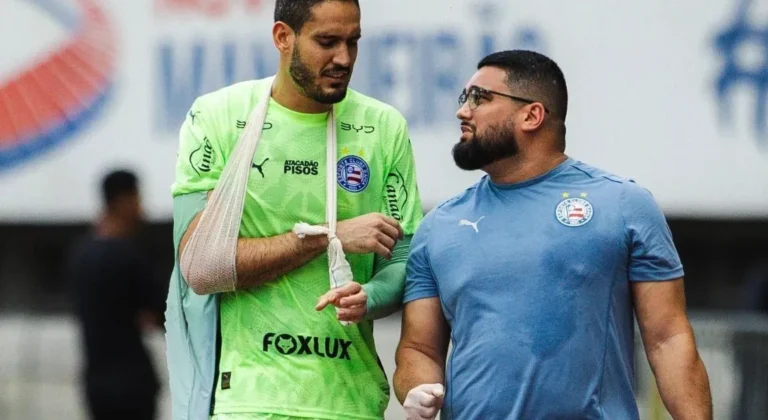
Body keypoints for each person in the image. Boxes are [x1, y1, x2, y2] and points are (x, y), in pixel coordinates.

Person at [393, 50, 713, 420]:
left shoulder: (624, 205)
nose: (463, 111)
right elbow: (419, 349)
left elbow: (668, 339)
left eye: (480, 98)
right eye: (464, 98)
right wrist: (417, 388)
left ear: (532, 115)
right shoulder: (439, 225)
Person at [163, 0, 424, 419]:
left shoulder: (383, 126)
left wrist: (370, 296)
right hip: (248, 400)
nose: (344, 58)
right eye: (327, 41)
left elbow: (405, 260)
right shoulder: (219, 116)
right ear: (283, 37)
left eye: (353, 42)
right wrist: (328, 237)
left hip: (349, 401)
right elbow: (201, 267)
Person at [67, 169, 164, 420]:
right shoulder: (129, 257)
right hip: (132, 384)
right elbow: (161, 313)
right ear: (123, 201)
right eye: (137, 200)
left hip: (96, 384)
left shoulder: (81, 254)